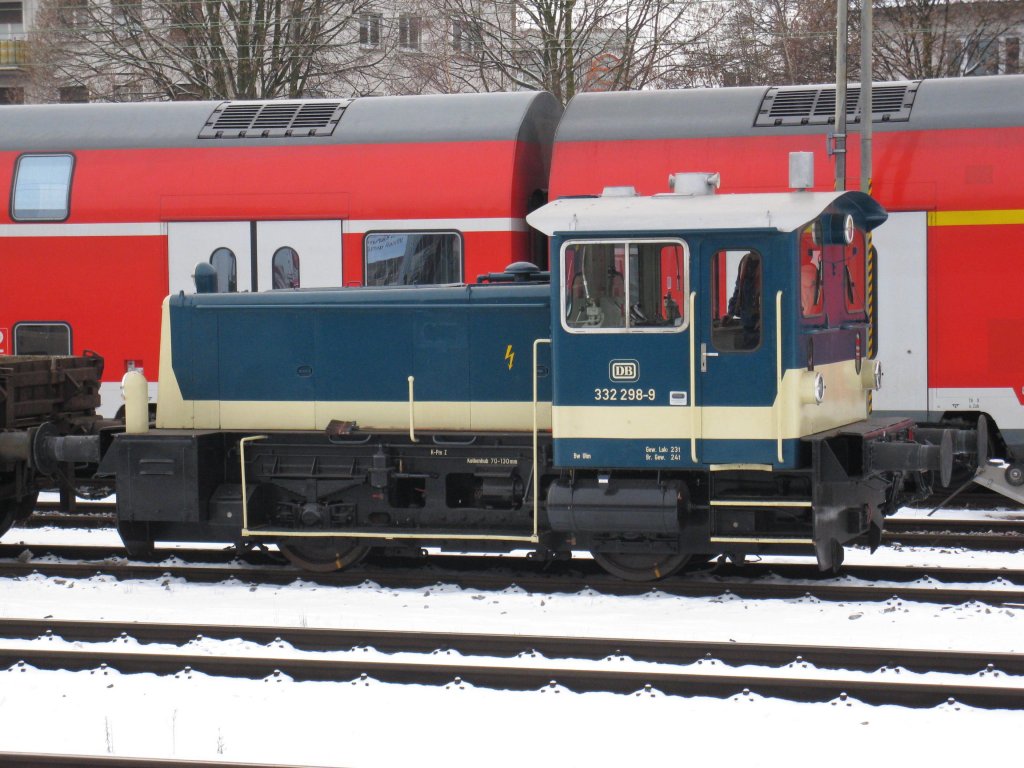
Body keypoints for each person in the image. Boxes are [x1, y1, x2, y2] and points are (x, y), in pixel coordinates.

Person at [727, 252, 760, 348]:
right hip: (746, 320)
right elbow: (738, 289)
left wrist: (765, 318)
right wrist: (730, 313)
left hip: (761, 325)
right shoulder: (744, 261)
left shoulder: (768, 260)